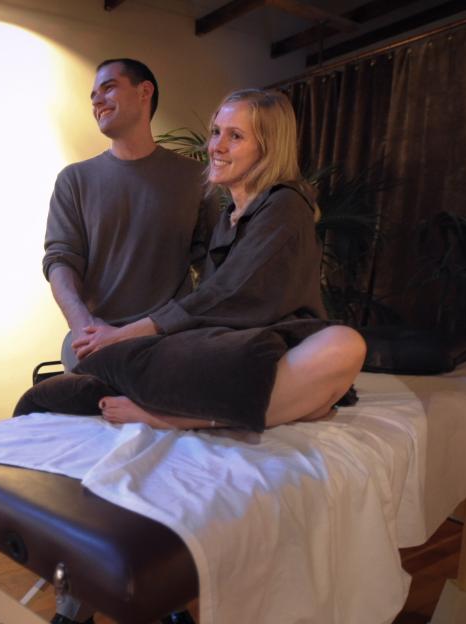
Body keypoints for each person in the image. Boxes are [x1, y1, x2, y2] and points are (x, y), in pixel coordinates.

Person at [19, 89, 366, 434]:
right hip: (224, 344)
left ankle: (169, 415)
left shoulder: (284, 204)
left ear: (267, 147)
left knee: (345, 345)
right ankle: (298, 406)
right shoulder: (229, 214)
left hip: (270, 342)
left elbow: (229, 292)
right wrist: (113, 336)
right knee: (112, 359)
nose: (217, 146)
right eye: (216, 132)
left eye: (236, 136)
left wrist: (126, 333)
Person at [44, 58, 208, 371]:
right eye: (93, 95)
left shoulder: (194, 177)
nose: (96, 100)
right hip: (96, 342)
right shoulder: (75, 180)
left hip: (170, 341)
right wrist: (85, 329)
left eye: (108, 88)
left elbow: (211, 266)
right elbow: (60, 261)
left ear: (145, 91)